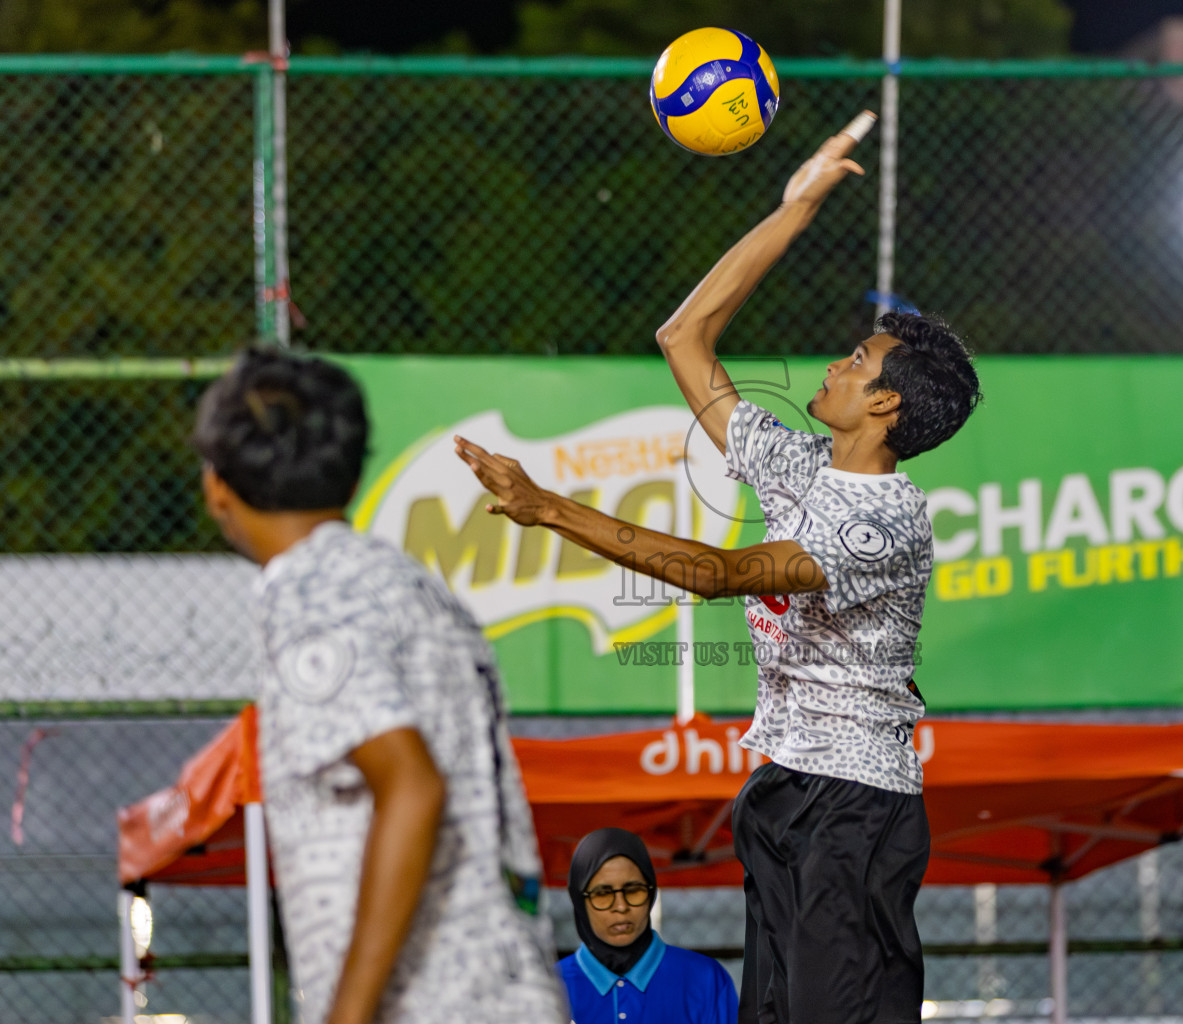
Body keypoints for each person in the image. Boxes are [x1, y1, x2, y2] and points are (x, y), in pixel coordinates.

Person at [454, 110, 981, 1024]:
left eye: (856, 360)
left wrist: (546, 507)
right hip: (782, 786)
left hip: (856, 809)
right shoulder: (801, 466)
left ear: (885, 401)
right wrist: (794, 209)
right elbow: (683, 339)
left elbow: (717, 573)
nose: (834, 361)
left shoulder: (886, 525)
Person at [193, 349, 568, 1024]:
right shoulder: (409, 584)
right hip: (506, 987)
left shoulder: (305, 590)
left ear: (217, 485)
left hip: (431, 1005)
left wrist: (347, 1016)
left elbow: (411, 782)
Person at [558, 828, 736, 1024]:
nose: (621, 906)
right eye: (603, 893)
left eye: (634, 890)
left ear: (651, 892)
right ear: (579, 900)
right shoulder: (548, 987)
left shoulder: (705, 980)